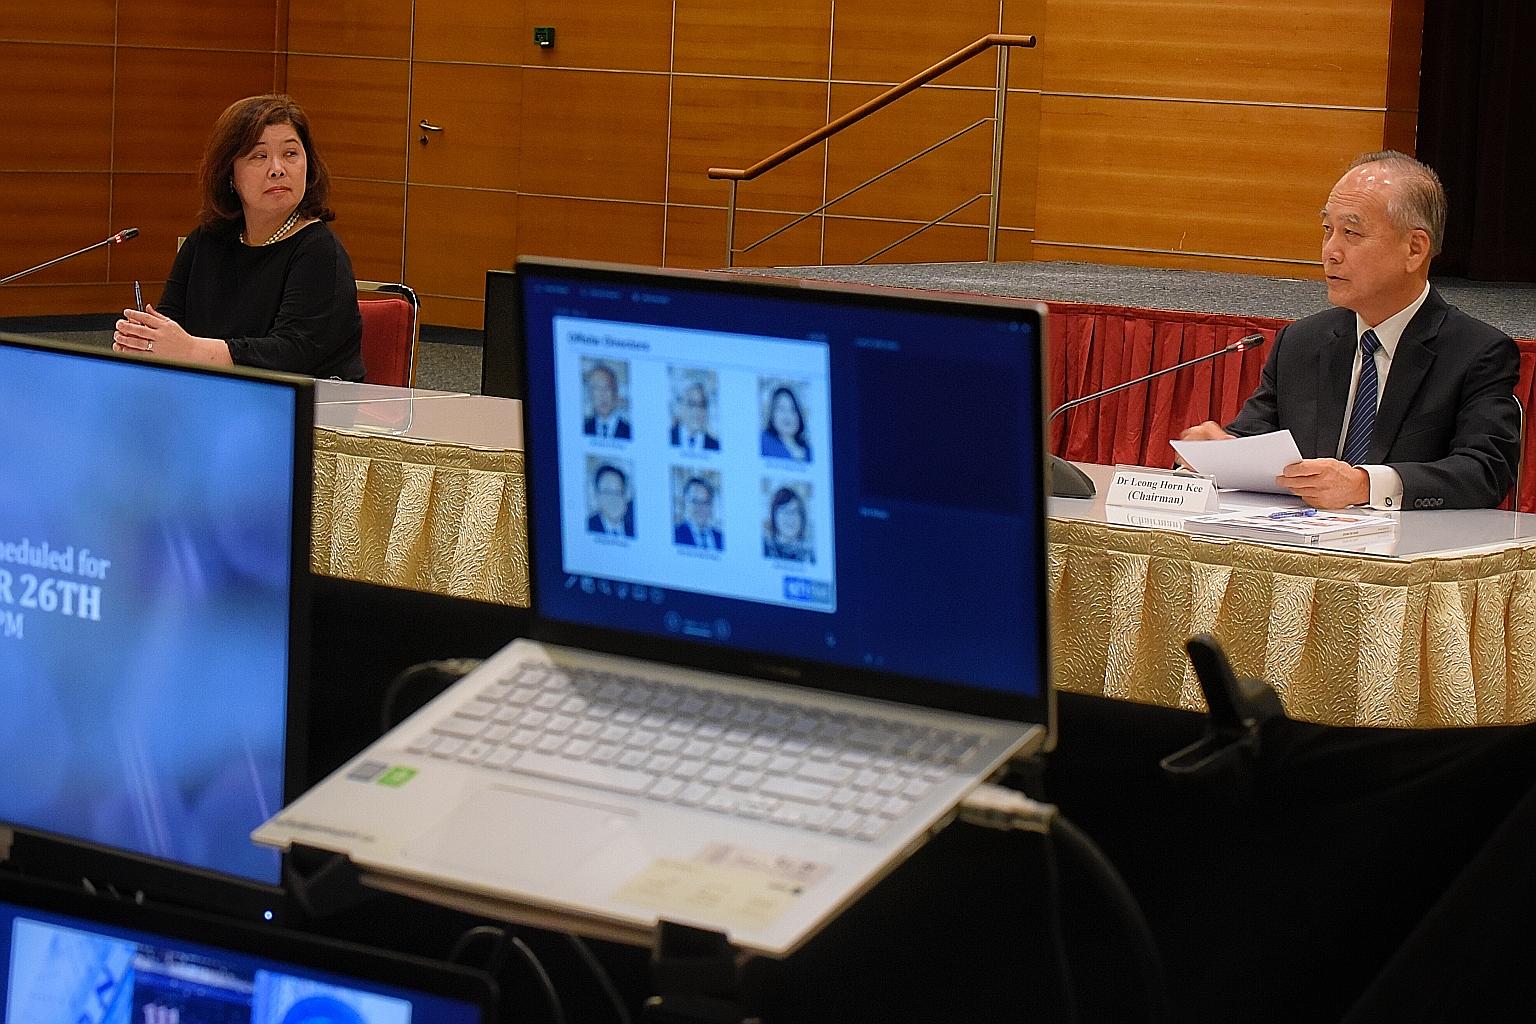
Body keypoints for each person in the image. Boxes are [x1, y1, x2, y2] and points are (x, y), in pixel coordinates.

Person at [1179, 151, 1519, 511]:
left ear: (1415, 249)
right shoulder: (1302, 342)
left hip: (1407, 555)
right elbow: (1253, 439)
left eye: (1351, 233)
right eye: (1328, 230)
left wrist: (1365, 484)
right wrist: (1219, 452)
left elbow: (1485, 471)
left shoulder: (1477, 352)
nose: (1330, 252)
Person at [112, 94, 364, 380]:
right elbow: (172, 325)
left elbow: (290, 355)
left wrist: (191, 350)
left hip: (304, 412)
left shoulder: (319, 251)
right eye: (259, 156)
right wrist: (145, 344)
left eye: (291, 154)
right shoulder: (205, 242)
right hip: (218, 399)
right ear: (229, 173)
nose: (278, 169)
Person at [760, 385, 811, 462]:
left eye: (793, 409)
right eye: (782, 408)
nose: (788, 415)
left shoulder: (810, 451)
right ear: (772, 414)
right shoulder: (763, 442)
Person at [583, 363, 631, 439]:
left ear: (616, 392)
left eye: (607, 388)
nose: (602, 395)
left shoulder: (629, 430)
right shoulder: (585, 428)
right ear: (590, 394)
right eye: (597, 389)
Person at [673, 477, 723, 550]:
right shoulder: (675, 534)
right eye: (695, 501)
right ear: (684, 503)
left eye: (706, 502)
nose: (701, 507)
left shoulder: (720, 537)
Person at [586, 464, 635, 537]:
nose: (613, 498)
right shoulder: (588, 525)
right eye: (607, 492)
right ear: (597, 496)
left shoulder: (634, 524)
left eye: (618, 492)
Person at [763, 487, 810, 561]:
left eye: (795, 511)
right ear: (774, 516)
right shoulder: (765, 549)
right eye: (784, 511)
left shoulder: (809, 556)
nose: (790, 518)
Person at [669, 382, 720, 451]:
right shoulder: (668, 436)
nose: (697, 410)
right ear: (680, 407)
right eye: (691, 404)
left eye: (702, 405)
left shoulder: (715, 445)